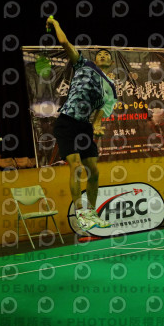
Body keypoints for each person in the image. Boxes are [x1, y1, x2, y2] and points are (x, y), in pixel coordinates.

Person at [46, 16, 117, 231]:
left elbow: (102, 110)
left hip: (84, 127)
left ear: (111, 63)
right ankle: (80, 213)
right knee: (76, 167)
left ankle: (92, 213)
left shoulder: (110, 87)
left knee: (93, 171)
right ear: (95, 59)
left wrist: (96, 125)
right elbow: (64, 42)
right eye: (100, 53)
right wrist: (55, 23)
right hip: (67, 122)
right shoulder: (83, 64)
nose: (103, 55)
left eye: (107, 54)